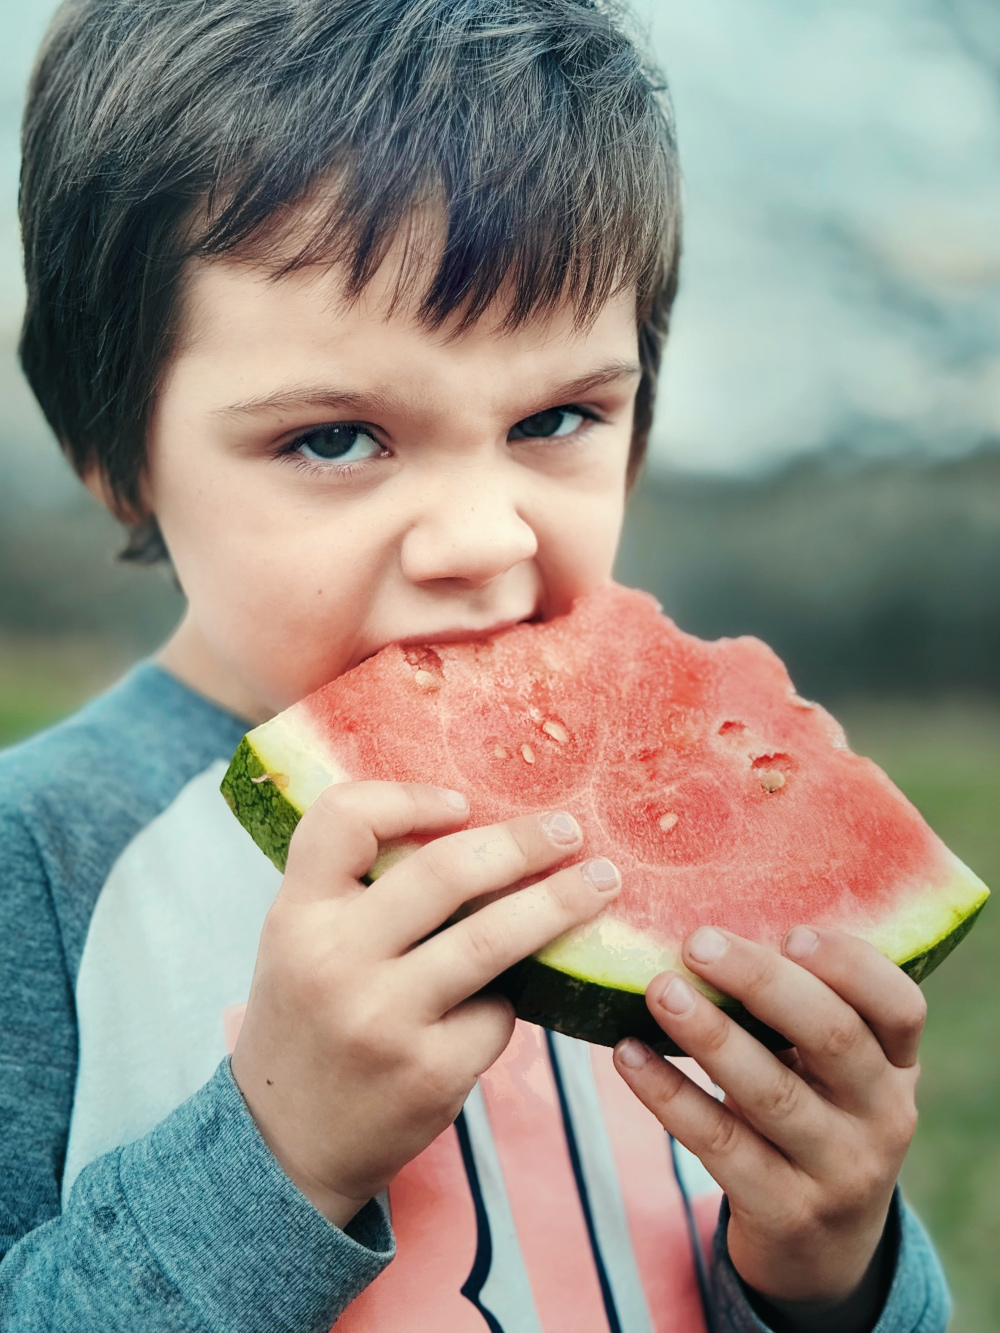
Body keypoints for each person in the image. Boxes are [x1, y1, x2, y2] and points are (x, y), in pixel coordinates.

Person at [0, 1, 949, 1329]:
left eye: (557, 417)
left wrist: (834, 1266)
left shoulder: (667, 811)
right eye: (337, 439)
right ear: (118, 458)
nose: (481, 536)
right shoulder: (40, 860)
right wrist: (277, 1156)